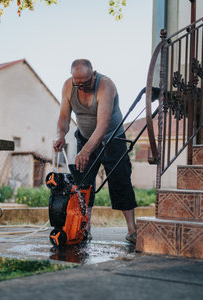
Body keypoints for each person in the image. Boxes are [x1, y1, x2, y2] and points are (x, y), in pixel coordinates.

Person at [53, 59, 137, 244]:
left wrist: (86, 151)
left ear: (94, 74)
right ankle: (84, 228)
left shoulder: (105, 86)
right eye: (78, 83)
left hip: (112, 138)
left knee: (120, 180)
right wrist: (61, 135)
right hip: (84, 138)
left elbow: (103, 125)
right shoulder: (69, 86)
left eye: (86, 82)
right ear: (73, 78)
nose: (82, 87)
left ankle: (132, 230)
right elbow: (64, 116)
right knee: (83, 183)